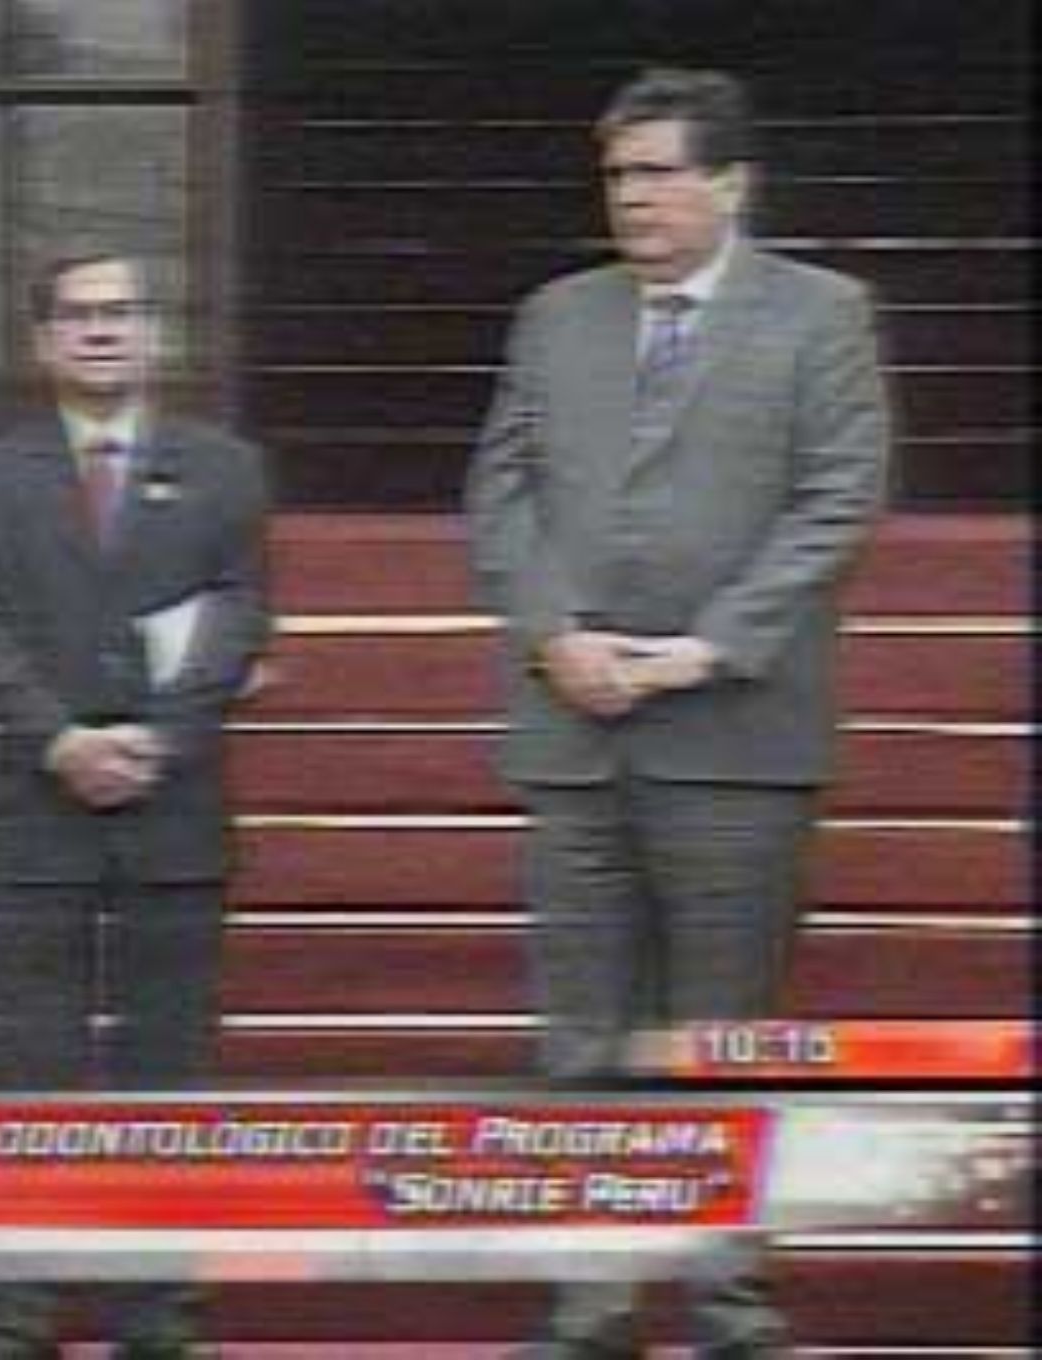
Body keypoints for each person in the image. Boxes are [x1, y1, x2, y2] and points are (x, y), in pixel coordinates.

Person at [465, 68, 889, 1359]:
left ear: (732, 184)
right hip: (575, 730)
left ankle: (724, 1303)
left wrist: (703, 651)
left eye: (657, 172)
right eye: (618, 176)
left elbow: (838, 500)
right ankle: (592, 1303)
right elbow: (501, 490)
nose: (632, 198)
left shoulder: (823, 317)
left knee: (721, 1039)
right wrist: (555, 638)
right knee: (585, 1035)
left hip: (734, 740)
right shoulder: (556, 317)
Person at [0, 252, 271, 1358]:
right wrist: (64, 741)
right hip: (35, 815)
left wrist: (161, 739)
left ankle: (157, 1309)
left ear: (154, 333)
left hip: (173, 817)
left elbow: (237, 619)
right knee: (24, 1068)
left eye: (120, 313)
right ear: (42, 343)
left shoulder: (225, 471)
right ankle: (16, 1309)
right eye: (76, 316)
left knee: (162, 1071)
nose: (99, 332)